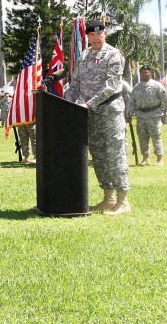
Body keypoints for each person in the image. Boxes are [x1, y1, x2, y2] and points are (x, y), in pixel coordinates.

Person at [65, 18, 130, 216]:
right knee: (98, 155)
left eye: (98, 34)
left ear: (105, 33)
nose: (95, 38)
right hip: (89, 114)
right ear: (87, 36)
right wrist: (67, 103)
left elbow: (110, 85)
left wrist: (89, 103)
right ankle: (108, 198)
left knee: (114, 154)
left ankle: (123, 200)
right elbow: (75, 83)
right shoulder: (84, 56)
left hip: (109, 112)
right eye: (91, 35)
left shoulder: (113, 55)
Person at [131, 64, 167, 167]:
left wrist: (160, 109)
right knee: (142, 137)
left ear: (151, 73)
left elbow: (165, 98)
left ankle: (159, 159)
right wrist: (129, 114)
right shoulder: (136, 87)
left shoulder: (156, 85)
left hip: (154, 115)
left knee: (156, 137)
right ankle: (145, 158)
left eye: (146, 72)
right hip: (141, 115)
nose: (144, 74)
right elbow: (132, 102)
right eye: (142, 72)